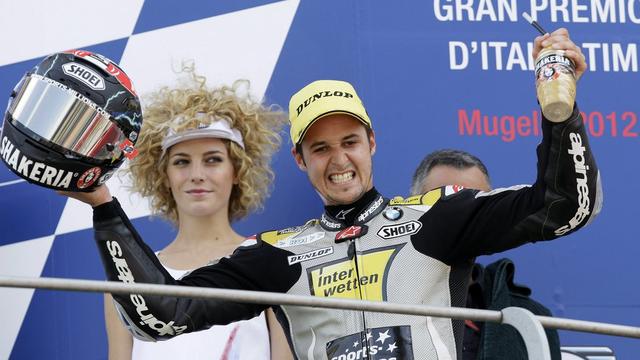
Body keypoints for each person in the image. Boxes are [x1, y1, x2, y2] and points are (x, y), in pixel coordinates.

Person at [68, 29, 601, 359]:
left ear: (372, 143)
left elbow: (566, 206)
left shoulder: (438, 217)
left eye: (349, 141)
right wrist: (103, 204)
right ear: (300, 160)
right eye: (320, 148)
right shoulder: (276, 254)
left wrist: (562, 107)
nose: (339, 159)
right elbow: (160, 315)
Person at [102, 78, 293, 359]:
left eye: (213, 159)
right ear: (164, 175)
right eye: (181, 161)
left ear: (237, 170)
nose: (196, 174)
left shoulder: (272, 264)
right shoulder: (128, 278)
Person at [410, 149, 562, 360]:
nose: (460, 219)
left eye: (475, 206)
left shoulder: (533, 318)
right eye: (443, 205)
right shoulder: (374, 300)